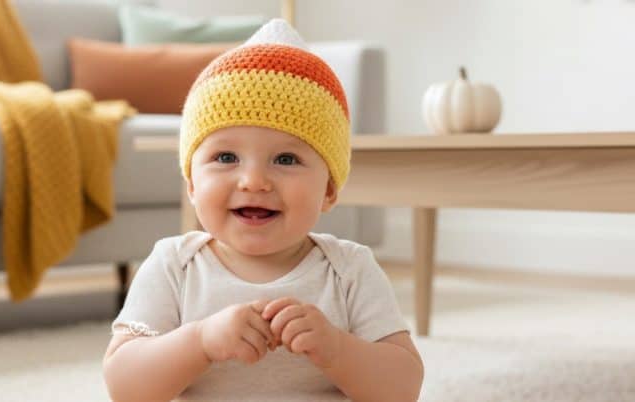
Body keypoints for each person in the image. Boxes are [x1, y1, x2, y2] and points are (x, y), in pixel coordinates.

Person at [102, 18, 424, 402]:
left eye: (286, 158)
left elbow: (403, 388)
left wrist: (338, 350)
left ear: (329, 190)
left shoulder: (350, 270)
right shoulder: (175, 266)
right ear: (191, 183)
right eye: (225, 156)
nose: (254, 181)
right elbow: (124, 386)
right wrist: (201, 341)